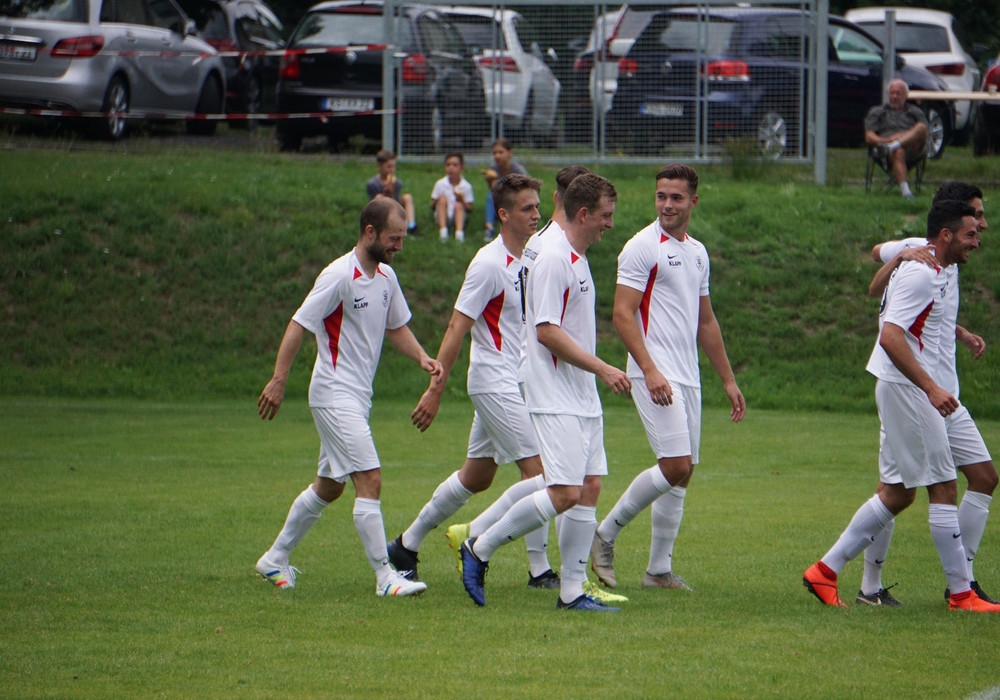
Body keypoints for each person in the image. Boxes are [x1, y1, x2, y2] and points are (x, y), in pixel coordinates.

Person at [802, 199, 1000, 613]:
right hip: (908, 389)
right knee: (942, 487)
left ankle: (825, 570)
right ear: (945, 234)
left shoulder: (935, 268)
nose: (977, 239)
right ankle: (961, 594)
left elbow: (906, 314)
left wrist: (957, 334)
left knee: (898, 493)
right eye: (971, 232)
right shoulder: (922, 272)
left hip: (908, 387)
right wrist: (930, 388)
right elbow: (890, 336)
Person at [459, 173, 633, 612]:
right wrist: (603, 368)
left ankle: (572, 591)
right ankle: (479, 546)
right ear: (583, 213)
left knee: (589, 485)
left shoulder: (575, 255)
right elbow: (546, 332)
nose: (610, 224)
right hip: (554, 392)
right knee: (563, 492)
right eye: (605, 215)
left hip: (580, 392)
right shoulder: (555, 257)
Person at [254, 196, 442, 597]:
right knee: (369, 479)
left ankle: (274, 559)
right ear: (370, 232)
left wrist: (422, 357)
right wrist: (278, 379)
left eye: (402, 238)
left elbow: (396, 326)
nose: (399, 246)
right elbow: (299, 323)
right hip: (333, 392)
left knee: (330, 486)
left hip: (358, 397)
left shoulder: (386, 278)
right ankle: (385, 577)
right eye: (393, 238)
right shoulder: (339, 275)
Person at [386, 173, 560, 589]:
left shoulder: (532, 256)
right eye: (527, 208)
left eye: (538, 206)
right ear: (503, 215)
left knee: (477, 476)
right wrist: (435, 390)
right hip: (494, 382)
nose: (536, 215)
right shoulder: (487, 264)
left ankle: (405, 545)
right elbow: (456, 327)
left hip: (514, 381)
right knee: (541, 473)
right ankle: (535, 568)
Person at [589, 164, 746, 592]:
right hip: (652, 373)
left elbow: (706, 322)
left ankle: (658, 571)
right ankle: (604, 535)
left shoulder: (697, 252)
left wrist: (728, 380)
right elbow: (622, 314)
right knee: (674, 464)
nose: (667, 205)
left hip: (687, 375)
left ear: (694, 200)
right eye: (661, 196)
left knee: (684, 470)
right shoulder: (642, 247)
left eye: (676, 197)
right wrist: (650, 370)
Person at [857, 182, 996, 606]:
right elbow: (877, 281)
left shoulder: (953, 257)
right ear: (951, 224)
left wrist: (959, 332)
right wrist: (900, 255)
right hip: (915, 392)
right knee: (897, 491)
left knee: (984, 477)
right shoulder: (920, 252)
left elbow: (930, 314)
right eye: (976, 216)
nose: (982, 225)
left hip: (944, 395)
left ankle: (963, 580)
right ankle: (869, 586)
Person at [864, 78, 929, 200]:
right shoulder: (878, 112)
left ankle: (895, 145)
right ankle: (906, 192)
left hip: (913, 148)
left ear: (906, 95)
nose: (894, 96)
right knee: (898, 150)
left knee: (921, 127)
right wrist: (887, 141)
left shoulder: (914, 111)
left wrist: (902, 136)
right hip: (886, 150)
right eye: (892, 93)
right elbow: (869, 136)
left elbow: (925, 133)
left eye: (898, 93)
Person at [483, 138, 528, 241]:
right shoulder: (493, 169)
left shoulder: (518, 170)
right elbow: (494, 189)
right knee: (490, 196)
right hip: (501, 199)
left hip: (516, 199)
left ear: (509, 153)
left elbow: (525, 190)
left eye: (500, 152)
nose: (497, 156)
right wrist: (490, 181)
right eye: (495, 153)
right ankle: (489, 227)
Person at [366, 149, 417, 233]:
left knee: (407, 197)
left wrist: (391, 193)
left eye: (394, 167)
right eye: (389, 167)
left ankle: (411, 225)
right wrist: (385, 193)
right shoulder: (372, 184)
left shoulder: (397, 182)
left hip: (395, 207)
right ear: (379, 166)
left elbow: (395, 203)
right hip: (380, 211)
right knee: (379, 197)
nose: (392, 170)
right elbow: (373, 206)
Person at [431, 152, 474, 243]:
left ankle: (459, 234)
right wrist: (437, 201)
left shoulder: (466, 186)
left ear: (461, 168)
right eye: (448, 165)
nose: (451, 168)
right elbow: (432, 206)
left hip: (458, 216)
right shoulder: (440, 184)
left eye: (455, 165)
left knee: (458, 204)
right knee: (442, 200)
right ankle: (443, 232)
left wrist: (462, 200)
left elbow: (470, 209)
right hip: (443, 215)